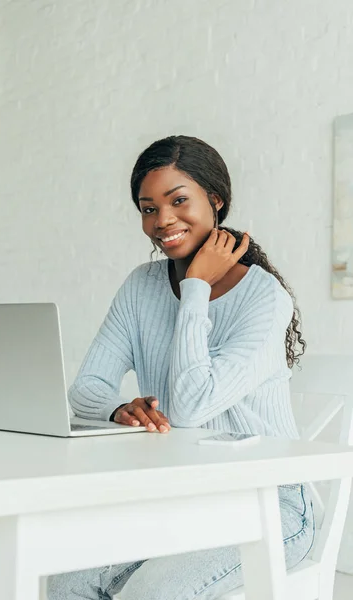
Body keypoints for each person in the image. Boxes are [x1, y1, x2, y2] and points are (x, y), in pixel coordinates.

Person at [48, 135, 314, 600]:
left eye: (178, 200)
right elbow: (86, 389)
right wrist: (118, 410)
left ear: (216, 201)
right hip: (181, 495)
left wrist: (195, 289)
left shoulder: (265, 297)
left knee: (151, 592)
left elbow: (192, 407)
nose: (162, 220)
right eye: (148, 208)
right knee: (64, 581)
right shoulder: (141, 287)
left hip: (271, 502)